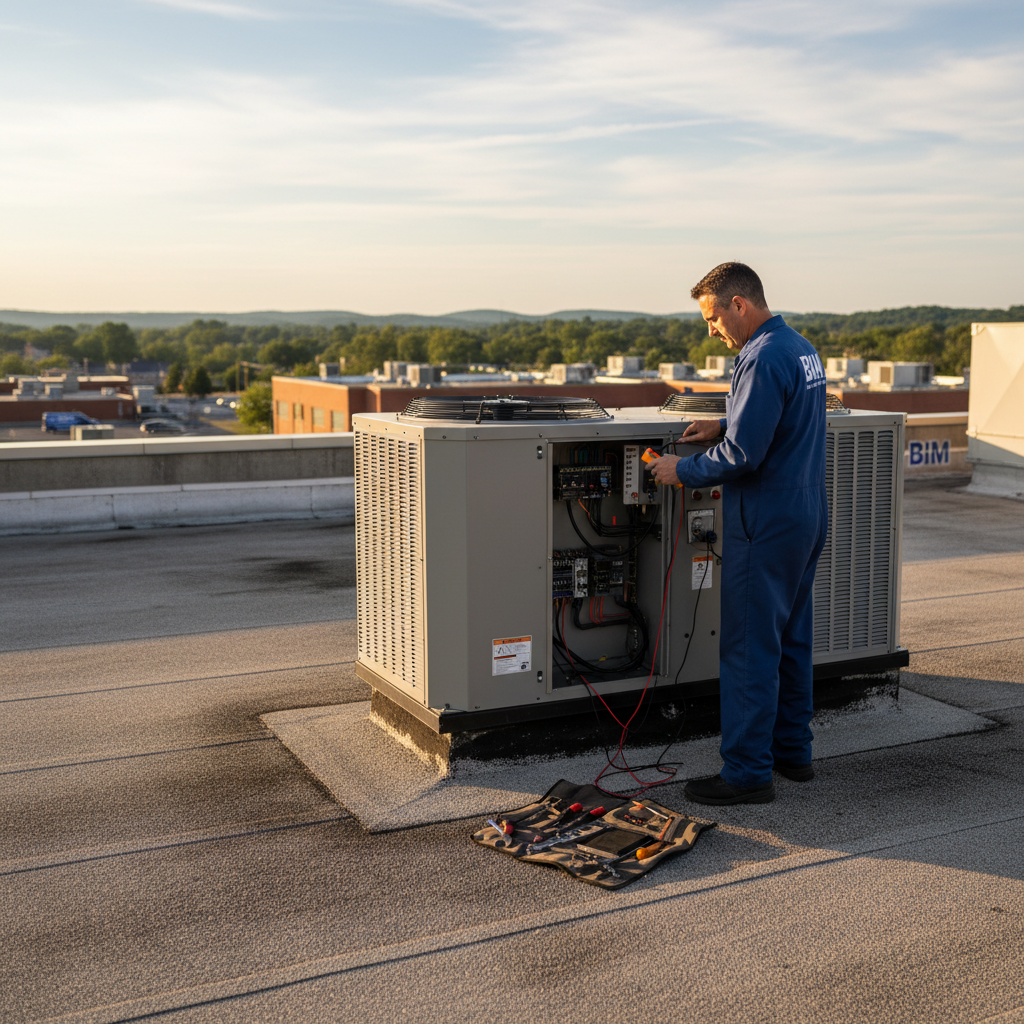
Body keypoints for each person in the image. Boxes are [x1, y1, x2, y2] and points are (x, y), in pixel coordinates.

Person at [648, 262, 828, 805]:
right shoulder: (799, 347)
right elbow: (782, 419)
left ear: (739, 305)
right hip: (804, 512)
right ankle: (794, 753)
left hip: (765, 522)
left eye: (713, 317)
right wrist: (725, 423)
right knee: (791, 641)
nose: (712, 330)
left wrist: (681, 470)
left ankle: (748, 774)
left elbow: (744, 456)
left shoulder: (762, 356)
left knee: (749, 649)